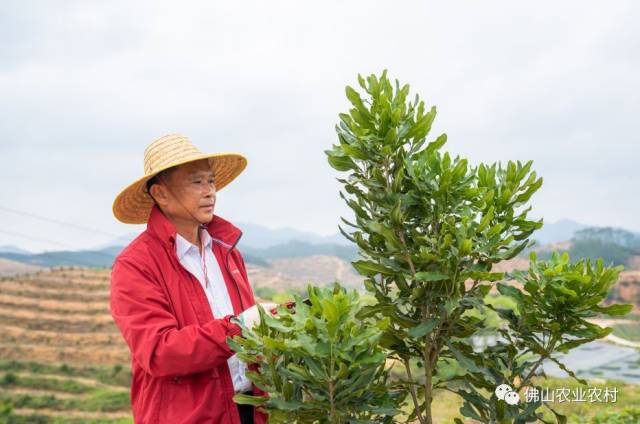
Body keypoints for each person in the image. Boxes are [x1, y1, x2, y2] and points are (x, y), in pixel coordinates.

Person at [110, 133, 276, 423]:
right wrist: (238, 328)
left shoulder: (226, 252)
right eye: (196, 182)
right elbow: (159, 352)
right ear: (160, 194)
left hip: (248, 412)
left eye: (211, 181)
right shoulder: (135, 264)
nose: (210, 191)